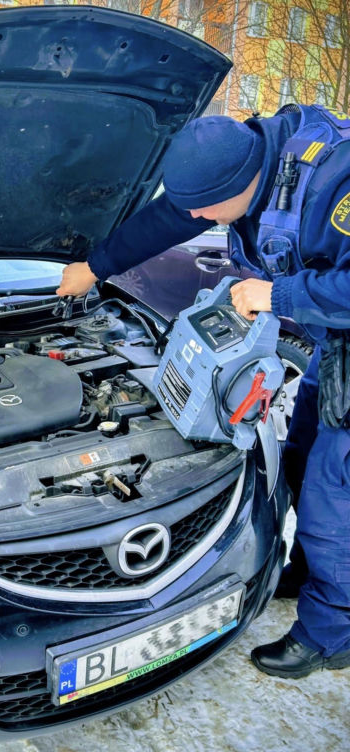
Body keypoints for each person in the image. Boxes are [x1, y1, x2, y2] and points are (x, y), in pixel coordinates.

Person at [57, 105, 350, 679]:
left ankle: (333, 632)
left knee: (333, 494)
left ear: (244, 183)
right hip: (335, 344)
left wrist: (280, 294)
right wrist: (94, 266)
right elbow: (170, 216)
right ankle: (309, 572)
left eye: (204, 208)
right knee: (297, 457)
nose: (195, 217)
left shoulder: (336, 187)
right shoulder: (240, 168)